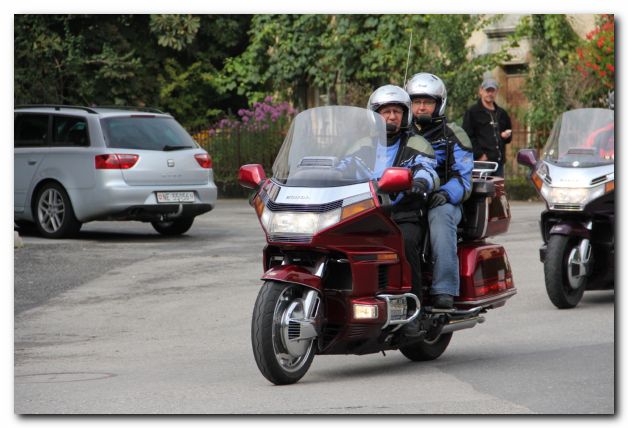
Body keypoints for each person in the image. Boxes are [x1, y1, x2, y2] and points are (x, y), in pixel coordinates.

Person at [362, 85, 439, 335]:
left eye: (396, 111)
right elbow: (343, 164)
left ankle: (412, 312)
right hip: (365, 212)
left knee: (405, 244)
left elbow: (428, 169)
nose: (392, 116)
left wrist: (419, 182)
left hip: (402, 213)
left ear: (405, 115)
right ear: (375, 115)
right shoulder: (363, 145)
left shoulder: (417, 143)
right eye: (386, 112)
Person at [405, 72, 474, 309]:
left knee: (441, 216)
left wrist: (444, 193)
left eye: (428, 102)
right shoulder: (400, 133)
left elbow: (463, 179)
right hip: (407, 197)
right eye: (416, 102)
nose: (421, 107)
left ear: (439, 104)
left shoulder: (453, 134)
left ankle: (444, 288)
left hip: (442, 201)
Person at [462, 77, 513, 177]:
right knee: (482, 191)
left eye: (492, 91)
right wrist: (479, 155)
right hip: (482, 163)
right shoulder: (473, 112)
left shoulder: (501, 113)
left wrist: (506, 136)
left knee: (498, 190)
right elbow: (467, 136)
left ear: (496, 92)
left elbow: (508, 134)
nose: (490, 94)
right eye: (487, 90)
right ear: (481, 91)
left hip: (499, 163)